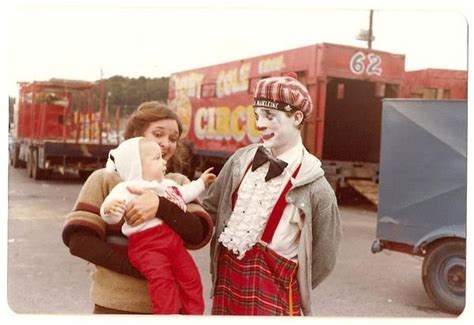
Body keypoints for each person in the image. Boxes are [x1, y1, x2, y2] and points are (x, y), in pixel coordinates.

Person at [202, 73, 342, 316]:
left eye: (270, 116)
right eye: (257, 116)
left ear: (297, 117)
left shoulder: (316, 187)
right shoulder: (239, 162)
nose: (260, 124)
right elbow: (211, 208)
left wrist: (291, 285)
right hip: (227, 283)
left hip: (276, 296)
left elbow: (324, 257)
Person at [62, 101, 213, 314]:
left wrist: (160, 206)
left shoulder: (177, 182)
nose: (166, 143)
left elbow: (197, 233)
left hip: (172, 309)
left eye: (173, 138)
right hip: (114, 306)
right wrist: (140, 268)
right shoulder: (105, 180)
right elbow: (79, 241)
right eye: (158, 134)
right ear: (135, 137)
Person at [100, 137, 216, 314]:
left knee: (191, 278)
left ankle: (193, 314)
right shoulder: (127, 188)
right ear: (135, 164)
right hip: (147, 246)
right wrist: (110, 210)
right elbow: (112, 215)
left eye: (162, 157)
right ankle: (165, 316)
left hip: (173, 244)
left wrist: (201, 182)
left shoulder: (168, 185)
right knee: (162, 282)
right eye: (156, 158)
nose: (163, 162)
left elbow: (185, 193)